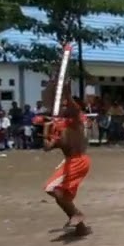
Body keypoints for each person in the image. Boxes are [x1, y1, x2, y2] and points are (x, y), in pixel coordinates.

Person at [43, 97, 92, 237]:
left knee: (51, 188)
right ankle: (80, 226)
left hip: (79, 161)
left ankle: (76, 214)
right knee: (60, 195)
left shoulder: (76, 124)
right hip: (70, 162)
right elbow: (47, 147)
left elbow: (75, 110)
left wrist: (66, 94)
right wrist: (47, 128)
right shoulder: (59, 128)